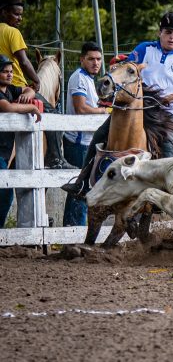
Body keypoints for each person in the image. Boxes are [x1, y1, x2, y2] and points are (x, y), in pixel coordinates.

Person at [62, 12, 173, 198]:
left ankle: (165, 191)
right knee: (100, 134)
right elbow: (126, 69)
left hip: (164, 114)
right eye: (168, 32)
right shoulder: (145, 49)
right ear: (160, 32)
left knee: (168, 145)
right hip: (136, 108)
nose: (172, 37)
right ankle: (82, 182)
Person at [0, 0, 73, 169]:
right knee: (52, 112)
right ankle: (56, 159)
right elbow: (24, 61)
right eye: (16, 14)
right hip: (16, 85)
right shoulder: (12, 32)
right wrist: (36, 81)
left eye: (21, 15)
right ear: (3, 12)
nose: (20, 19)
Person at [62, 42, 108, 226]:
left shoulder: (90, 79)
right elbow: (80, 108)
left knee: (85, 189)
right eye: (91, 59)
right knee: (80, 189)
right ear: (82, 59)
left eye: (98, 59)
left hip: (89, 141)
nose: (95, 63)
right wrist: (105, 112)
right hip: (78, 142)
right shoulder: (79, 78)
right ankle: (74, 232)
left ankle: (75, 232)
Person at [0, 55, 42, 227]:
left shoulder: (10, 90)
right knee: (4, 192)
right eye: (4, 72)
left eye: (11, 72)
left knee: (5, 193)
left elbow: (32, 90)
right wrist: (31, 107)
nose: (9, 75)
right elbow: (7, 107)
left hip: (5, 151)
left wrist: (26, 95)